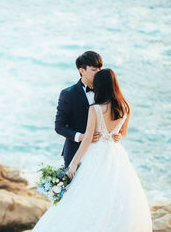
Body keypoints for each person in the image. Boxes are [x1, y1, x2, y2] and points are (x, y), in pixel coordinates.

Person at [32, 68, 152, 231]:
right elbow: (123, 133)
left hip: (95, 153)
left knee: (86, 194)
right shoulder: (126, 106)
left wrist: (73, 165)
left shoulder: (95, 108)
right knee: (116, 193)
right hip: (115, 153)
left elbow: (88, 139)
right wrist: (115, 136)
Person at [55, 51, 121, 168]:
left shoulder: (108, 92)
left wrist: (117, 134)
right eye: (94, 69)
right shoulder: (68, 94)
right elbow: (59, 127)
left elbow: (115, 116)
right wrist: (83, 137)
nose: (98, 72)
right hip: (75, 152)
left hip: (103, 154)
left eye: (100, 68)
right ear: (82, 71)